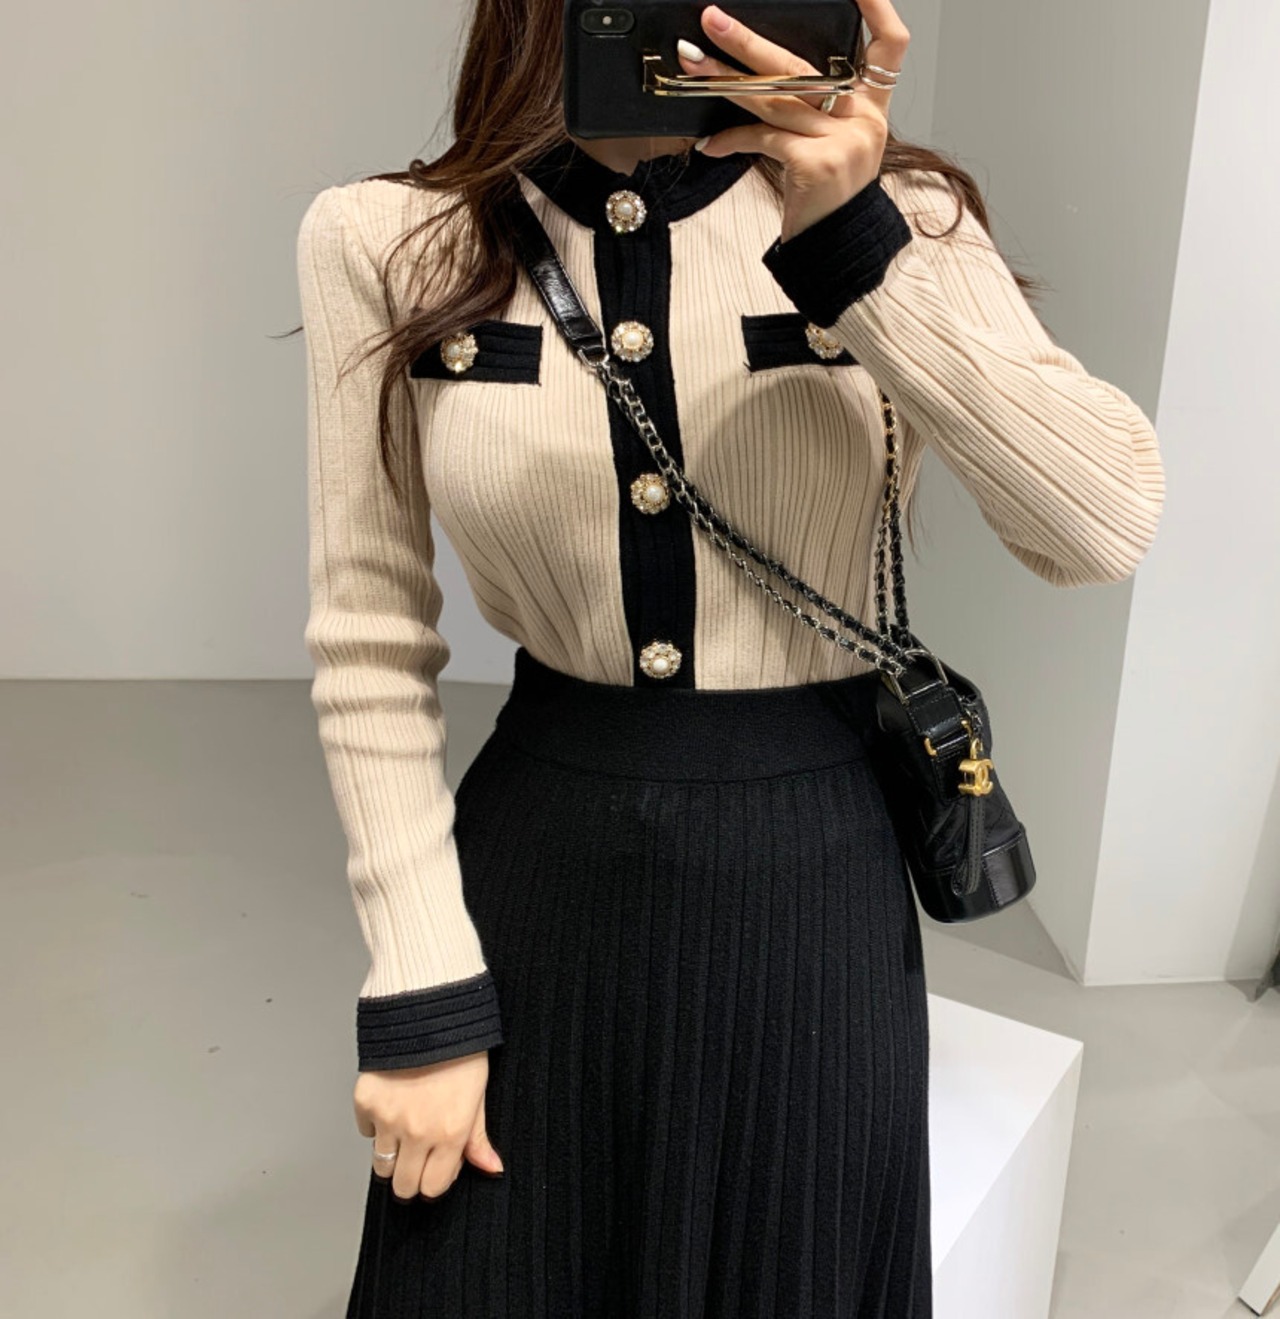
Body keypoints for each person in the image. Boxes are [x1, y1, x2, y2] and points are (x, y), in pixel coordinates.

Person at [294, 0, 1165, 1312]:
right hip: (540, 885)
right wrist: (420, 986)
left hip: (815, 903)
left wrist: (858, 245)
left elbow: (1098, 527)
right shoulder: (387, 238)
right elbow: (370, 632)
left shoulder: (906, 216)